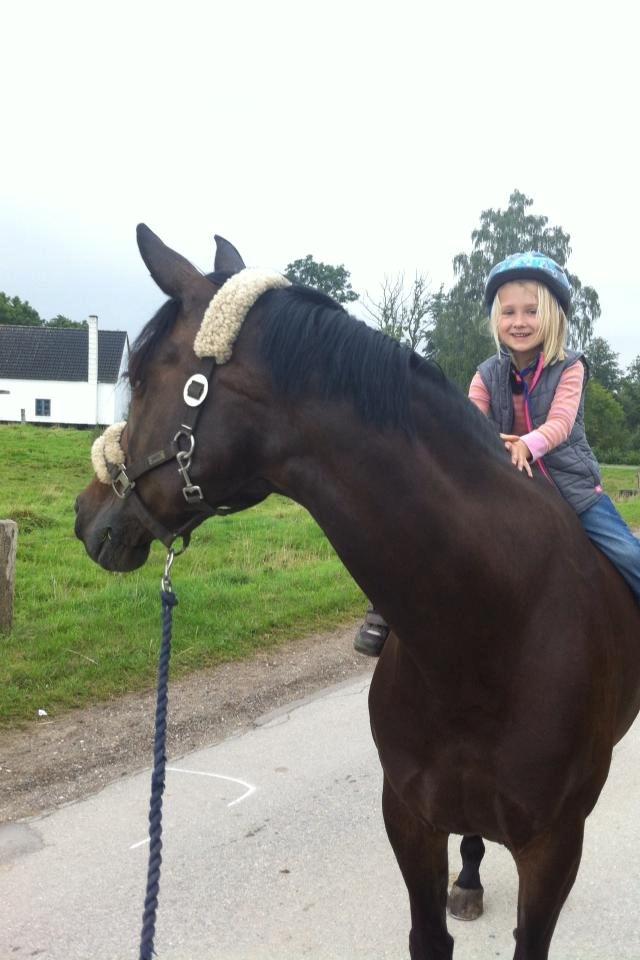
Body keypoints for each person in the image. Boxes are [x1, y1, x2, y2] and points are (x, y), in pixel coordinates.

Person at [353, 251, 640, 657]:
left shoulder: (571, 368)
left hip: (571, 487)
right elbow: (469, 419)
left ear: (553, 317)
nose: (519, 321)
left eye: (531, 311)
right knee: (429, 521)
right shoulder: (486, 374)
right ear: (496, 319)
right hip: (505, 479)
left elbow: (561, 423)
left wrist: (527, 442)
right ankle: (386, 608)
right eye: (508, 312)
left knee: (627, 552)